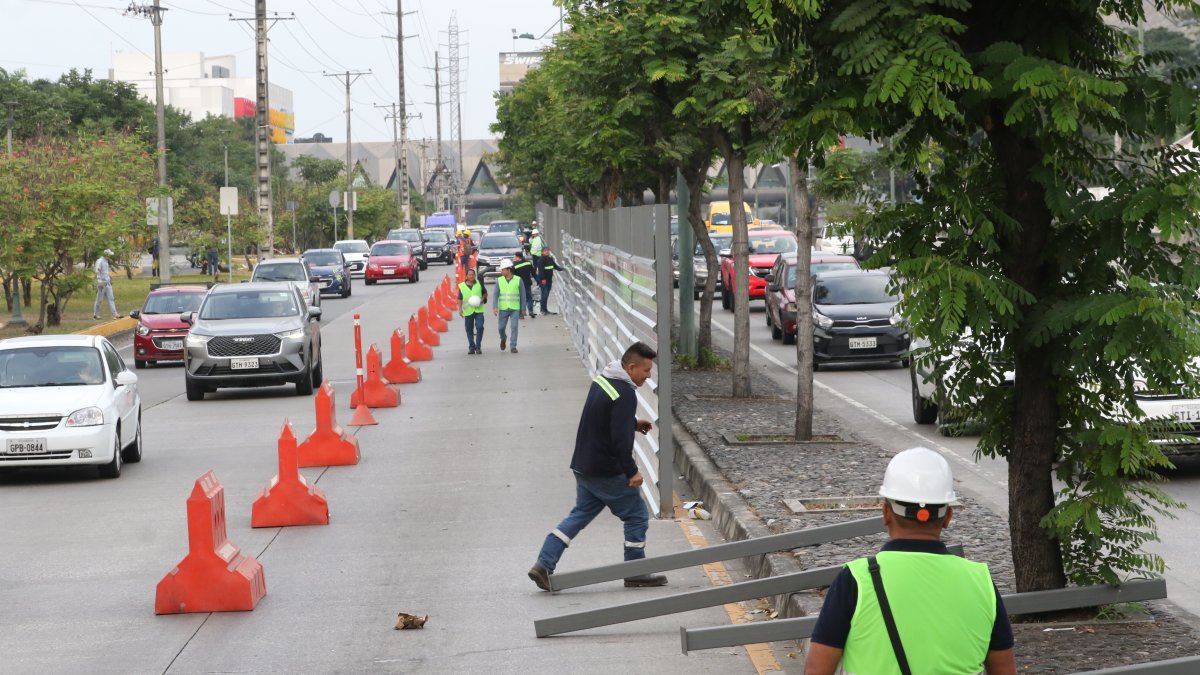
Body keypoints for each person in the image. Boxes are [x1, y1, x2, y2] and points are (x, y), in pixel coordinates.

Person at [805, 447, 1016, 675]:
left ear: (886, 513)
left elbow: (817, 670)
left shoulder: (856, 579)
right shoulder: (981, 582)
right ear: (947, 517)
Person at [529, 342, 666, 591]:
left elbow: (604, 415)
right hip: (606, 469)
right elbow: (619, 441)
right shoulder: (625, 393)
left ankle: (543, 564)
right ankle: (635, 571)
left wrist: (632, 422)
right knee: (636, 515)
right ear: (632, 367)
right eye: (646, 371)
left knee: (578, 516)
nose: (648, 376)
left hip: (584, 464)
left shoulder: (604, 380)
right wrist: (631, 471)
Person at [493, 259, 526, 353]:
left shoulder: (518, 280)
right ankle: (503, 338)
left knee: (514, 326)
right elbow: (495, 294)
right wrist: (495, 307)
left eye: (503, 270)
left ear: (509, 269)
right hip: (503, 308)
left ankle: (513, 346)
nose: (501, 271)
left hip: (515, 308)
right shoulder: (499, 280)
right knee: (501, 328)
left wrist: (523, 308)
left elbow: (523, 295)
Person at [457, 268, 488, 355]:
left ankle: (478, 347)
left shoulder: (479, 283)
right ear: (466, 276)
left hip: (479, 310)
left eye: (472, 275)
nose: (471, 276)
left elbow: (485, 293)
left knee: (480, 327)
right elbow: (459, 298)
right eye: (469, 275)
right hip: (468, 311)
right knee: (469, 330)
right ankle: (471, 347)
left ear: (474, 275)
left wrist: (481, 300)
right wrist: (460, 309)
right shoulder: (462, 286)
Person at [93, 249, 119, 320]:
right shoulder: (100, 261)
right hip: (102, 283)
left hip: (107, 282)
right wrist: (99, 281)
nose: (110, 256)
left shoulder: (106, 261)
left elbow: (105, 272)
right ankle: (96, 314)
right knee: (99, 299)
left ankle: (114, 313)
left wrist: (109, 278)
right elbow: (97, 271)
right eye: (109, 255)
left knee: (111, 298)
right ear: (106, 255)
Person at [511, 251, 537, 319]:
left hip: (519, 284)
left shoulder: (515, 265)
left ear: (518, 257)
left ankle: (521, 314)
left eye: (515, 257)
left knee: (521, 299)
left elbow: (512, 276)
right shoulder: (528, 263)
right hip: (527, 283)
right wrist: (538, 280)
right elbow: (534, 273)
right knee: (529, 298)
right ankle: (531, 311)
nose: (514, 258)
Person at [538, 247, 560, 316]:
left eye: (548, 250)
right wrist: (543, 279)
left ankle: (545, 309)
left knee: (546, 295)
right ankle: (542, 310)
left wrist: (563, 269)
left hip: (549, 280)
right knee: (544, 295)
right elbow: (541, 271)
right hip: (544, 281)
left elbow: (555, 266)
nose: (547, 252)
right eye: (545, 251)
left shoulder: (550, 259)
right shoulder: (541, 260)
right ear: (542, 252)